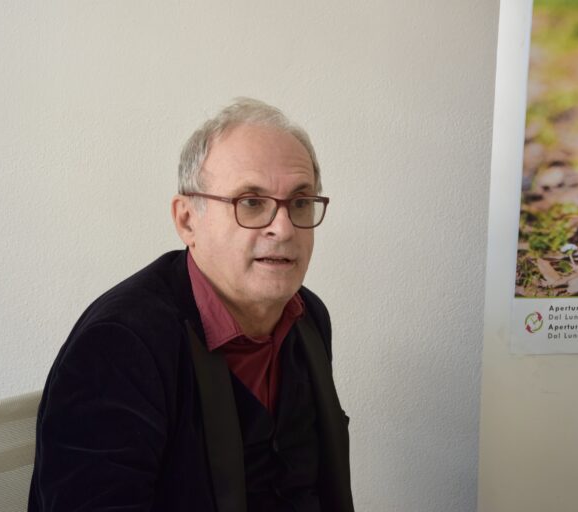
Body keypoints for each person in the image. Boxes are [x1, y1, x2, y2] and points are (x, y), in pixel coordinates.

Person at [28, 98, 354, 512]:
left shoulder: (309, 318)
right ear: (187, 220)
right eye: (251, 202)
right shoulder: (117, 347)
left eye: (300, 202)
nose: (284, 228)